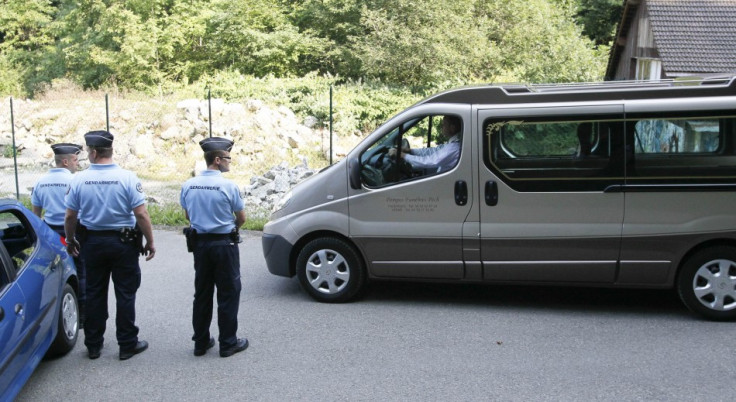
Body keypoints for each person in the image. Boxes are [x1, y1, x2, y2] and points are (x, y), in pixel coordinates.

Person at [64, 130, 156, 361]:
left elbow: (69, 217)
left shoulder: (79, 179)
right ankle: (127, 344)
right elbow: (141, 214)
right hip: (123, 244)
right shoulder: (128, 178)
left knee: (94, 292)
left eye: (87, 151)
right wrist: (150, 241)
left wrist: (71, 239)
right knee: (125, 293)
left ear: (94, 152)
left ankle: (94, 345)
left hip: (93, 243)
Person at [180, 137, 248, 358]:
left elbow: (188, 215)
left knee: (202, 293)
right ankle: (228, 343)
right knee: (228, 293)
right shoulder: (228, 186)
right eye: (228, 158)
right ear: (217, 160)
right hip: (224, 244)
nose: (230, 162)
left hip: (200, 245)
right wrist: (231, 226)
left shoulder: (188, 185)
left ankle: (200, 342)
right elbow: (242, 217)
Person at [31, 142, 87, 325]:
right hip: (74, 231)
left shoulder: (40, 182)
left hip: (51, 233)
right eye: (75, 160)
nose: (77, 163)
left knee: (55, 271)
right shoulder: (75, 180)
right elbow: (83, 210)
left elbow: (35, 216)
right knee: (82, 272)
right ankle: (84, 315)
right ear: (65, 161)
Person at [389, 115, 462, 173]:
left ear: (452, 128)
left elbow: (429, 161)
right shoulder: (453, 144)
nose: (441, 127)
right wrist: (410, 151)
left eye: (444, 124)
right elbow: (433, 151)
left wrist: (403, 155)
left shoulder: (454, 147)